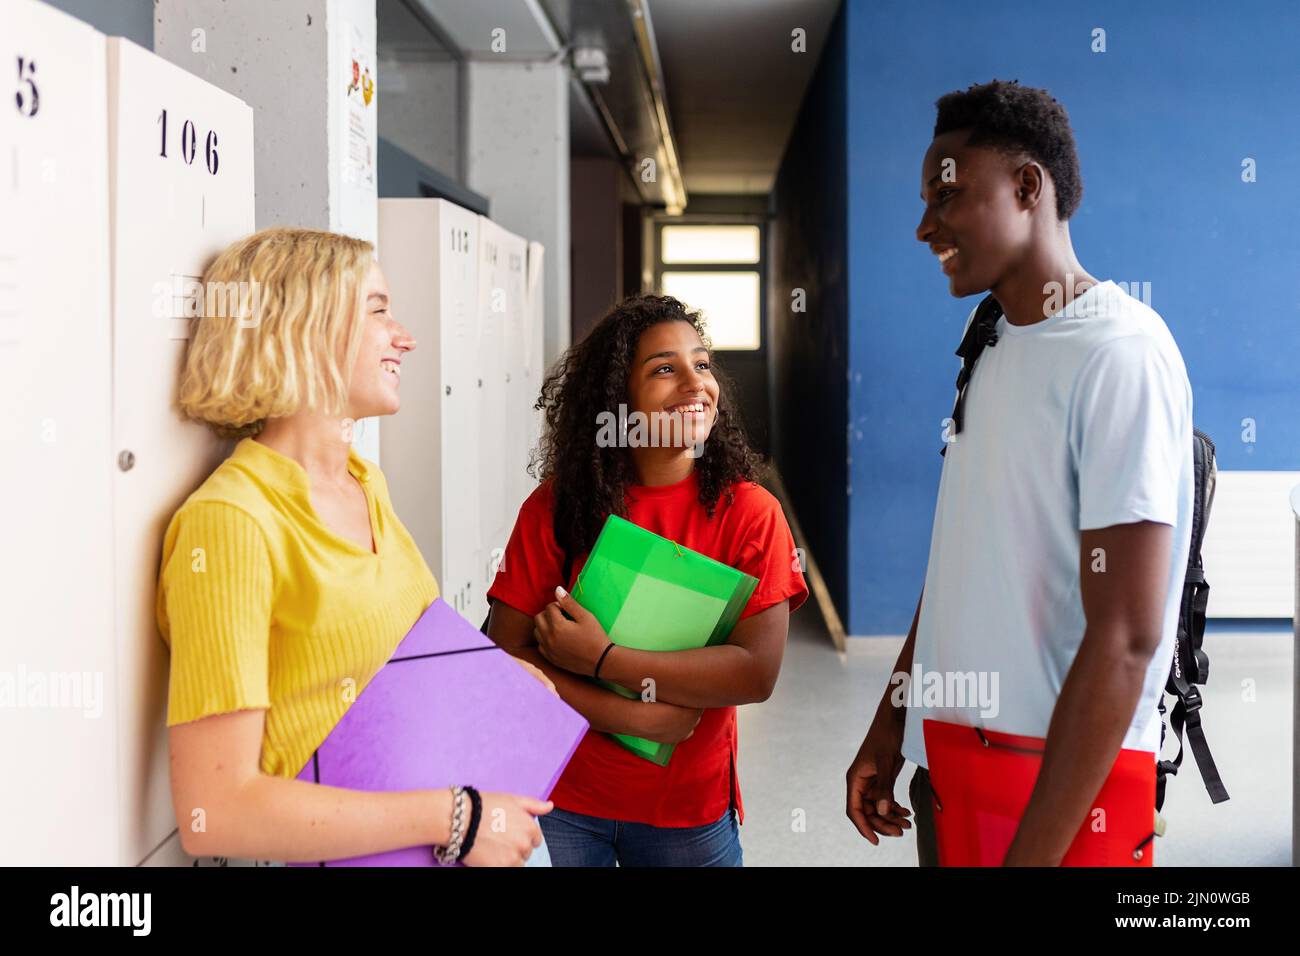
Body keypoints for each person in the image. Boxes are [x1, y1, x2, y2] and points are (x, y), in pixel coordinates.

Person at [845, 80, 1194, 866]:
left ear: (1027, 187)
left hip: (1064, 784)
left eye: (947, 193)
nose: (924, 225)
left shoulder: (1120, 354)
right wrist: (895, 720)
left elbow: (1128, 639)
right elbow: (962, 556)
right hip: (953, 757)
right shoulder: (990, 340)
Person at [157, 226, 553, 867]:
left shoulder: (364, 484)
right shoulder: (232, 522)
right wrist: (459, 816)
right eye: (379, 310)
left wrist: (508, 683)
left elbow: (402, 666)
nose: (406, 336)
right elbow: (218, 812)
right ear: (302, 326)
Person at [485, 293, 809, 866]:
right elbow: (508, 658)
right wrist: (636, 714)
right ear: (617, 399)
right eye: (664, 369)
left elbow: (755, 672)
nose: (695, 383)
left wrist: (602, 658)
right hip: (558, 801)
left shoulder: (751, 513)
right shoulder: (557, 507)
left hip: (685, 813)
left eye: (702, 365)